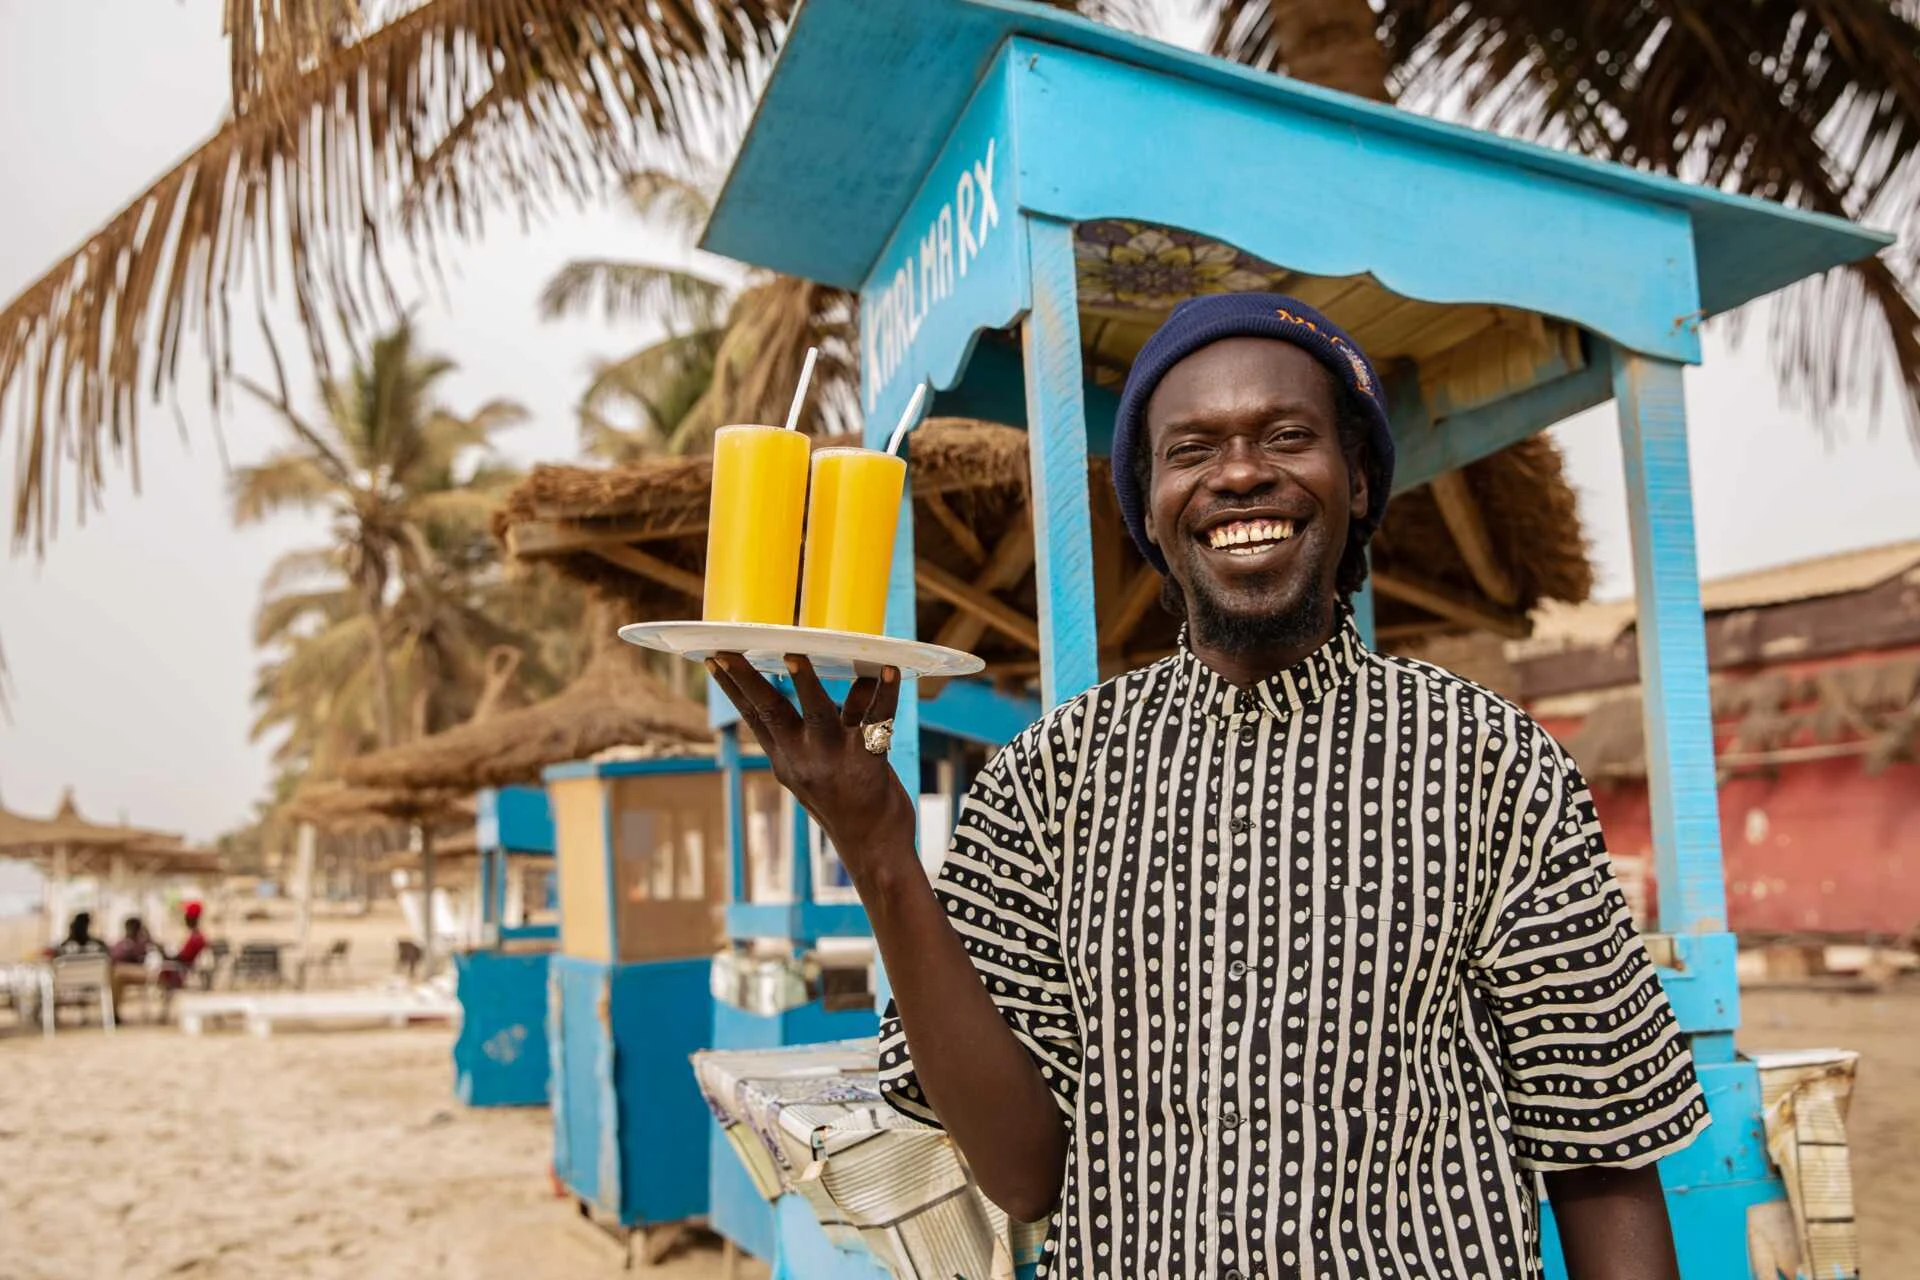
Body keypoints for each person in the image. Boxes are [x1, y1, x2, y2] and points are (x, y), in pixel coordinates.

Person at [707, 292, 1707, 1280]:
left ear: (1356, 478)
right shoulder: (1045, 783)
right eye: (1191, 449)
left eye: (1285, 434)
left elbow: (1602, 1153)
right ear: (1149, 503)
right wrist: (880, 849)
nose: (1239, 472)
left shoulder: (1492, 763)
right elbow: (1027, 1174)